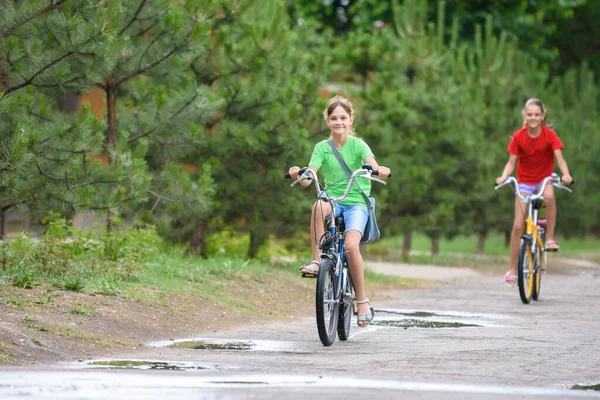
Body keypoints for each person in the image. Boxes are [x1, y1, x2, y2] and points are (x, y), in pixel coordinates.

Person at [288, 95, 390, 326]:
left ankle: (361, 299)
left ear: (351, 119)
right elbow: (308, 178)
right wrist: (300, 174)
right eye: (333, 118)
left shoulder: (359, 145)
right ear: (327, 121)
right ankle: (316, 262)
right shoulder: (321, 148)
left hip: (356, 203)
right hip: (333, 200)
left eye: (343, 117)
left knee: (352, 246)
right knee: (317, 206)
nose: (338, 122)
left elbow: (372, 166)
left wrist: (379, 170)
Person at [496, 98, 572, 287]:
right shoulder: (518, 137)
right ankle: (513, 270)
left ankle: (551, 238)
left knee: (549, 196)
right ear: (524, 116)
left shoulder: (549, 135)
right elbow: (511, 163)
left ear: (543, 116)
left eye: (537, 114)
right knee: (517, 226)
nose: (533, 118)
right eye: (529, 114)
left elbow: (560, 159)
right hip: (525, 183)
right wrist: (504, 176)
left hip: (544, 180)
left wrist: (566, 174)